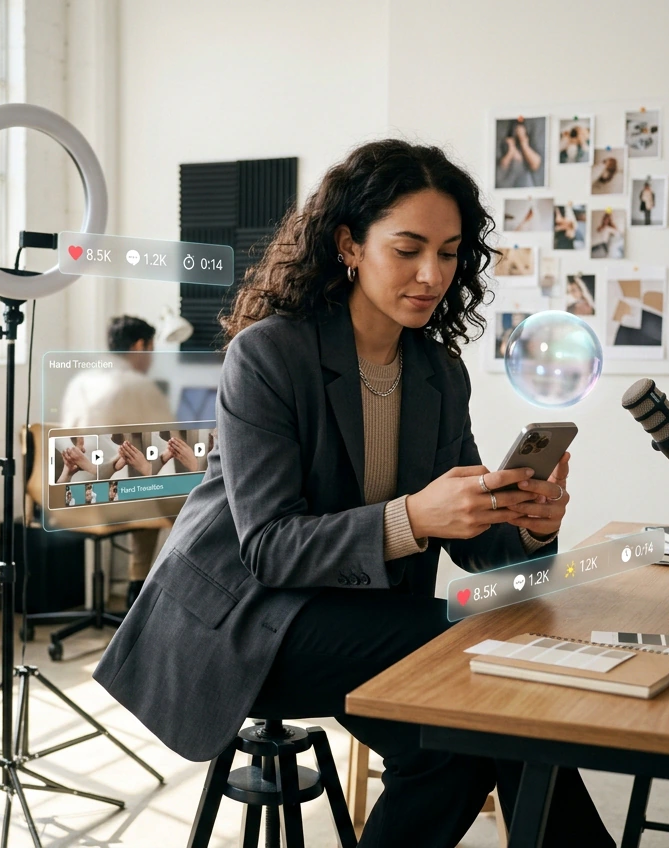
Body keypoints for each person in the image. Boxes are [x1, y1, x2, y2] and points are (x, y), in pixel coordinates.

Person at [94, 139, 613, 847]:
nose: (432, 274)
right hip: (245, 626)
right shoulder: (268, 356)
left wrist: (525, 526)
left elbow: (479, 549)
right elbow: (270, 549)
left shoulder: (437, 372)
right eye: (408, 249)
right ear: (348, 244)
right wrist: (412, 517)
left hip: (362, 624)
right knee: (477, 646)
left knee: (456, 753)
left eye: (451, 252)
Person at [60, 316, 177, 602]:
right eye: (151, 349)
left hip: (69, 493)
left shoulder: (82, 380)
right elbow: (173, 438)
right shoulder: (138, 386)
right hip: (107, 496)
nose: (151, 359)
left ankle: (138, 589)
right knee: (189, 499)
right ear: (140, 345)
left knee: (147, 485)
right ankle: (151, 593)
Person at [495, 117, 543, 188]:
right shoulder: (506, 142)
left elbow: (535, 164)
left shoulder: (530, 140)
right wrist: (511, 152)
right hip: (507, 185)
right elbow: (501, 169)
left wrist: (523, 142)